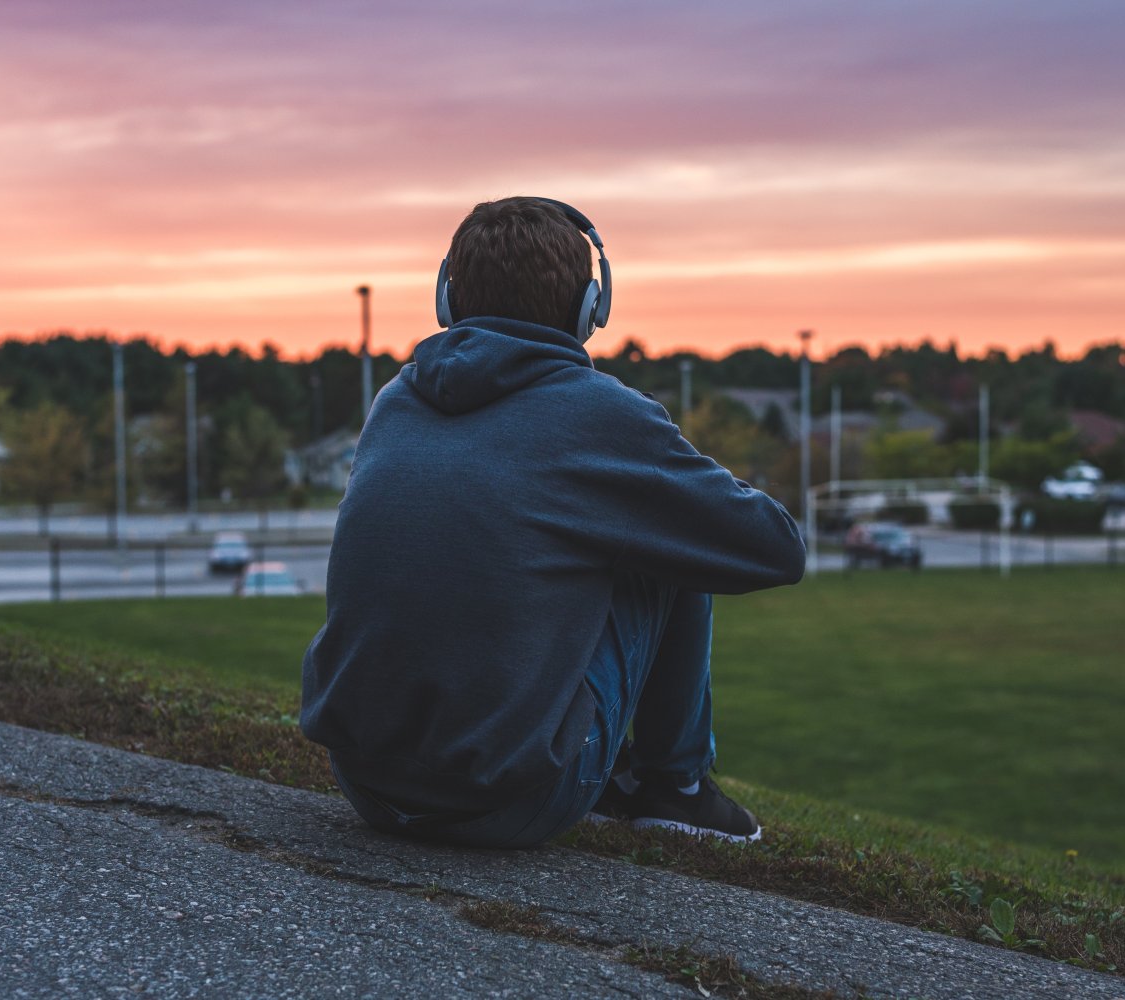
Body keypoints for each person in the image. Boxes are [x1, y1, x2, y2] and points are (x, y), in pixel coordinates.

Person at [300, 196, 806, 849]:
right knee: (676, 544)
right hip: (513, 801)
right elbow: (774, 548)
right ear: (590, 307)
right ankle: (673, 788)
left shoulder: (396, 399)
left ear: (447, 301)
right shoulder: (601, 413)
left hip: (365, 783)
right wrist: (692, 480)